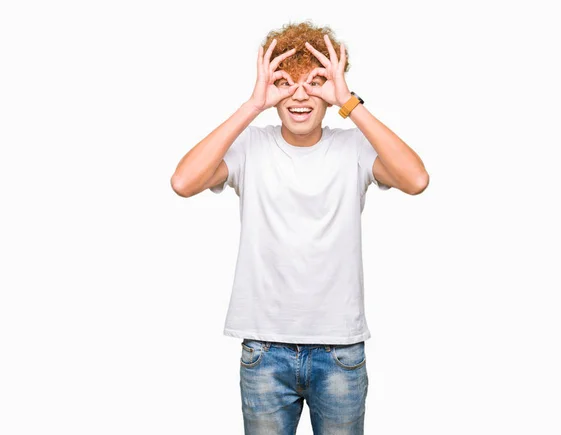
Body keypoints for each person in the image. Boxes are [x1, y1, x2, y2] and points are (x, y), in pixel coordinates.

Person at [171, 20, 428, 435]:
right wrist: (253, 104)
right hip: (264, 350)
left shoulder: (354, 149)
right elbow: (183, 182)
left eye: (315, 82)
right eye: (286, 83)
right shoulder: (251, 147)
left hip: (340, 350)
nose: (300, 95)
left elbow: (416, 180)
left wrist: (350, 102)